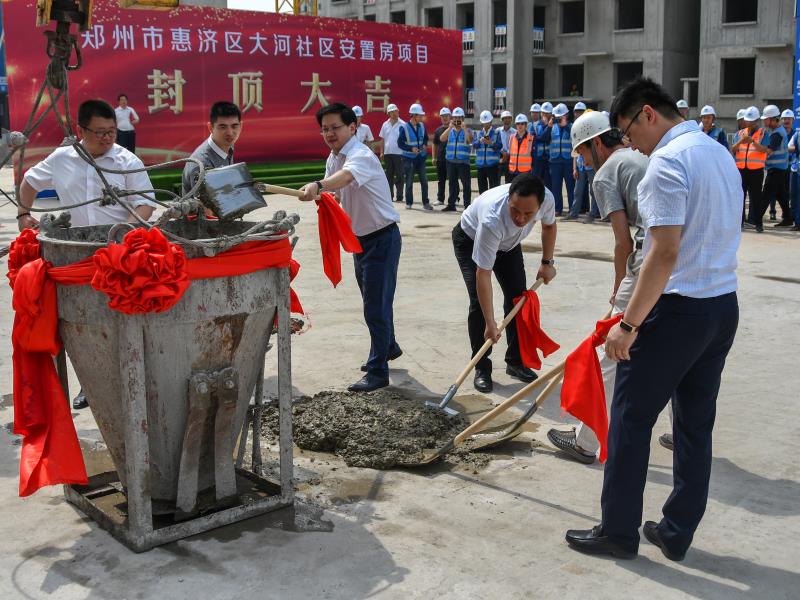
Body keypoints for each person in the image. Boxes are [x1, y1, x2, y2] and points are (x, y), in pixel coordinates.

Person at [566, 77, 740, 562]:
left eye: (626, 132)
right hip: (721, 306)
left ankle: (618, 532)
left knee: (629, 419)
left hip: (677, 310)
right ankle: (676, 530)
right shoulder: (718, 151)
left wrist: (629, 324)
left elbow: (662, 253)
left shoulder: (666, 160)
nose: (629, 144)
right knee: (693, 426)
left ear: (647, 114)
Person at [18, 99, 157, 409]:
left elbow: (146, 202)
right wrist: (23, 214)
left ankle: (131, 378)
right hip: (75, 256)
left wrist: (127, 229)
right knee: (81, 324)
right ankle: (88, 384)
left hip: (118, 255)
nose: (108, 139)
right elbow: (28, 183)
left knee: (120, 320)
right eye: (100, 133)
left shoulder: (126, 160)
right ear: (80, 130)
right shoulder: (61, 159)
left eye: (112, 132)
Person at [548, 110, 650, 463]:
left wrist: (618, 291)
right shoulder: (636, 155)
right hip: (677, 265)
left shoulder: (608, 172)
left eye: (581, 153)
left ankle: (585, 442)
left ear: (594, 144)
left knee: (610, 351)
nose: (582, 162)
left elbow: (622, 242)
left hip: (648, 263)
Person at [299, 103, 402, 392]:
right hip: (360, 240)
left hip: (382, 238)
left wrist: (319, 186)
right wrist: (325, 197)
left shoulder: (361, 155)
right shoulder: (334, 158)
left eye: (335, 127)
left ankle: (378, 371)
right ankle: (388, 346)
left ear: (352, 127)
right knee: (377, 300)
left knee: (375, 305)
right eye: (324, 129)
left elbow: (344, 178)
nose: (329, 133)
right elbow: (338, 192)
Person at [452, 173, 557, 393]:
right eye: (514, 210)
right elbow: (483, 275)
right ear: (509, 199)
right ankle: (481, 367)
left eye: (528, 213)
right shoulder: (492, 219)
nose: (520, 218)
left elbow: (549, 227)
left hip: (508, 246)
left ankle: (515, 361)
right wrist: (491, 323)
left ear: (539, 204)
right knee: (479, 304)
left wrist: (547, 262)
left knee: (518, 298)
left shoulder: (547, 199)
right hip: (470, 240)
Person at [182, 101, 241, 194]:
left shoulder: (228, 146)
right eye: (222, 127)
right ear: (210, 128)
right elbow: (206, 207)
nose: (230, 132)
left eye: (234, 126)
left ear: (241, 126)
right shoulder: (202, 163)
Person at [731, 106, 766, 230]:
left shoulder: (763, 133)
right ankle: (739, 223)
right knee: (740, 197)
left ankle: (758, 223)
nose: (749, 123)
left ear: (757, 121)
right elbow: (733, 149)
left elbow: (764, 150)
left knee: (756, 198)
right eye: (747, 120)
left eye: (751, 121)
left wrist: (752, 141)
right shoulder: (740, 133)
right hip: (741, 170)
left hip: (756, 170)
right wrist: (741, 141)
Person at [758, 105, 794, 227]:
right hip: (779, 169)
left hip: (776, 170)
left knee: (766, 195)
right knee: (781, 195)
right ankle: (788, 218)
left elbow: (769, 151)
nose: (764, 121)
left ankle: (756, 219)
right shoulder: (775, 131)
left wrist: (754, 145)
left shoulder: (777, 134)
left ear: (773, 119)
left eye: (766, 119)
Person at [397, 103, 432, 210]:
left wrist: (425, 145)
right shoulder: (404, 127)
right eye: (420, 115)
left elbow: (425, 138)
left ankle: (426, 202)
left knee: (424, 181)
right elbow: (400, 143)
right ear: (414, 115)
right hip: (408, 158)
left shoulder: (422, 126)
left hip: (420, 158)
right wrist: (411, 149)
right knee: (409, 182)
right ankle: (409, 202)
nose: (422, 117)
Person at [441, 107, 472, 212]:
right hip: (451, 161)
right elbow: (441, 138)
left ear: (463, 118)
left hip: (463, 162)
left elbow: (469, 140)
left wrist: (464, 129)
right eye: (455, 118)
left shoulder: (467, 130)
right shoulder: (450, 130)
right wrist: (449, 128)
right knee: (452, 184)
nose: (457, 120)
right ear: (452, 119)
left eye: (459, 118)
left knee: (466, 184)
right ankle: (451, 204)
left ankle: (467, 205)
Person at [548, 103, 575, 216]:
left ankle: (572, 209)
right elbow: (543, 138)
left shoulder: (572, 126)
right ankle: (557, 209)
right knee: (556, 186)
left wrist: (565, 125)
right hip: (555, 161)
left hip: (568, 160)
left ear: (567, 115)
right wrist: (549, 125)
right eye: (557, 116)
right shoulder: (552, 126)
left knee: (570, 186)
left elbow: (574, 138)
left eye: (561, 116)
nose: (559, 118)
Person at [378, 103, 406, 204]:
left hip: (399, 154)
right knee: (388, 175)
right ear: (389, 113)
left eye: (396, 111)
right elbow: (382, 139)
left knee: (399, 175)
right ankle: (389, 195)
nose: (395, 113)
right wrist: (381, 152)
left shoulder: (403, 124)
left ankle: (399, 195)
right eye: (393, 111)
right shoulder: (385, 124)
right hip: (388, 154)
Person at [473, 110, 503, 194]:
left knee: (494, 189)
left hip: (492, 165)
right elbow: (474, 145)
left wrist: (491, 143)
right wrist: (479, 141)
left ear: (491, 121)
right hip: (481, 166)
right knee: (482, 190)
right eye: (484, 122)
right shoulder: (478, 133)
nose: (486, 124)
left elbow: (499, 146)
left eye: (488, 122)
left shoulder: (497, 132)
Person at [507, 113, 534, 184]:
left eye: (522, 124)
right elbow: (510, 154)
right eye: (518, 124)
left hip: (525, 172)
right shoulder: (511, 137)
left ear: (526, 125)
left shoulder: (531, 138)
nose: (520, 125)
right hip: (512, 172)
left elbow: (534, 156)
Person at [432, 107, 452, 205]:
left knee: (452, 180)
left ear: (450, 116)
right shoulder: (438, 130)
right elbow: (435, 144)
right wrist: (434, 157)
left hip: (452, 158)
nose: (444, 118)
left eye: (446, 116)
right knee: (441, 180)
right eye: (442, 116)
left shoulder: (454, 129)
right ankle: (440, 199)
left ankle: (454, 198)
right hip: (441, 159)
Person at [533, 102, 553, 189]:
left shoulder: (554, 125)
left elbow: (546, 138)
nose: (545, 115)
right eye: (543, 113)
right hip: (538, 159)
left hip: (549, 159)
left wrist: (548, 127)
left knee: (548, 186)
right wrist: (548, 127)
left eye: (547, 113)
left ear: (551, 114)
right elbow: (537, 139)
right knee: (536, 184)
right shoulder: (534, 125)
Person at [786, 125, 800, 231]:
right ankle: (797, 222)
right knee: (794, 195)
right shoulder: (797, 134)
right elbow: (788, 147)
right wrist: (797, 148)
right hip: (796, 169)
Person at [497, 110, 515, 183]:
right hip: (500, 157)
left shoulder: (515, 132)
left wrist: (507, 153)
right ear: (502, 120)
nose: (507, 120)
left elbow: (515, 145)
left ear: (511, 119)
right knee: (496, 180)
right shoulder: (497, 131)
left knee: (509, 181)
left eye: (508, 118)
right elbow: (495, 144)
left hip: (510, 158)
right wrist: (502, 152)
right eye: (505, 118)